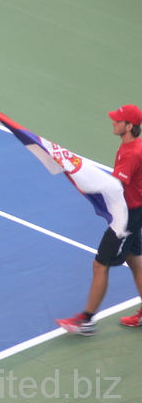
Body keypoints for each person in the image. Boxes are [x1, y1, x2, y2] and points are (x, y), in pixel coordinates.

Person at [56, 104, 142, 336]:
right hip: (133, 211)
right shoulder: (130, 147)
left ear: (129, 126)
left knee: (100, 265)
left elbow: (114, 187)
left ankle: (86, 321)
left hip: (126, 219)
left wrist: (79, 175)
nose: (113, 122)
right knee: (135, 260)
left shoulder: (132, 153)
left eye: (118, 120)